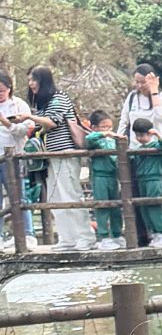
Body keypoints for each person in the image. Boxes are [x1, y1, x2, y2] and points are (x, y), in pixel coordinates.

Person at [24, 66, 92, 249]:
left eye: (34, 80)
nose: (31, 84)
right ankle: (67, 238)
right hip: (50, 156)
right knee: (55, 197)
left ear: (44, 80)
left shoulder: (59, 98)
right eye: (29, 80)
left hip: (65, 154)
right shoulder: (42, 103)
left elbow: (53, 122)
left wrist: (29, 117)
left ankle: (85, 236)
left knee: (71, 194)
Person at [127, 116, 162, 245]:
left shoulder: (156, 146)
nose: (139, 138)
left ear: (150, 134)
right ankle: (155, 232)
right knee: (145, 207)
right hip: (141, 179)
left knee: (154, 205)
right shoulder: (138, 149)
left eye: (142, 135)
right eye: (137, 135)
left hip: (153, 179)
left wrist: (158, 134)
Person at [83, 111, 123, 246]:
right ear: (94, 127)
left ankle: (117, 234)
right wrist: (104, 134)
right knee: (102, 206)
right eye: (104, 127)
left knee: (116, 207)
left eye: (109, 127)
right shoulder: (95, 139)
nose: (108, 130)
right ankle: (103, 236)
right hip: (100, 176)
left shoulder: (112, 141)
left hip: (113, 176)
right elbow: (89, 139)